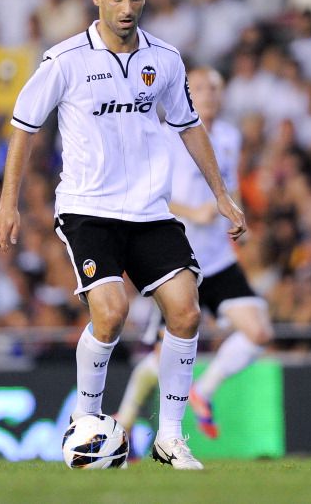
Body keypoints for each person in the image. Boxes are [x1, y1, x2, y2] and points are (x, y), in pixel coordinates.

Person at [0, 0, 246, 470]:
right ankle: (86, 425)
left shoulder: (165, 60)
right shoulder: (65, 61)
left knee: (187, 308)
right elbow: (23, 129)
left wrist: (221, 193)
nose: (128, 7)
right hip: (88, 209)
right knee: (112, 312)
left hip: (149, 210)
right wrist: (7, 204)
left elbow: (190, 128)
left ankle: (170, 438)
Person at [115, 67, 273, 441]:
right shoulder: (167, 136)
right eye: (200, 87)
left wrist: (232, 215)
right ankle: (123, 422)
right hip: (177, 260)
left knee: (258, 331)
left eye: (215, 88)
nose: (209, 94)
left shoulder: (230, 136)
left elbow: (227, 186)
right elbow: (149, 193)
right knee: (159, 357)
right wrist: (192, 212)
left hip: (217, 258)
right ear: (186, 93)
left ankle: (203, 390)